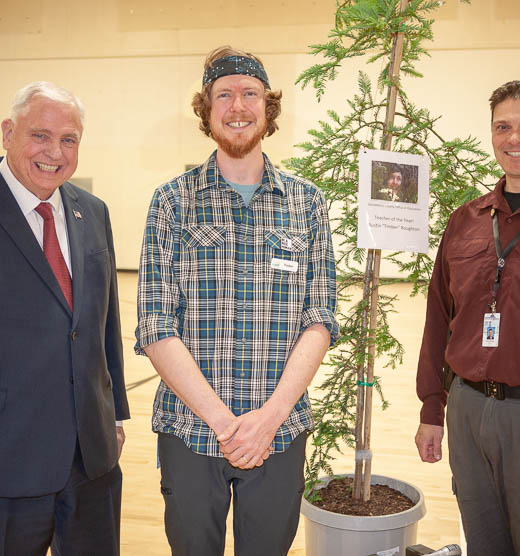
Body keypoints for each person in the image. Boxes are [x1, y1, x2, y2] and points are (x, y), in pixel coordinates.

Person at [135, 46, 338, 555]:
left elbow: (320, 318)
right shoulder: (172, 202)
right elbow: (156, 326)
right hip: (190, 431)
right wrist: (226, 425)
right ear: (205, 110)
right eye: (223, 94)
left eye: (250, 93)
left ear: (268, 109)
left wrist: (267, 420)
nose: (238, 105)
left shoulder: (307, 203)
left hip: (280, 432)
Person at [415, 79, 520, 555]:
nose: (514, 139)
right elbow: (438, 318)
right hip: (469, 411)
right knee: (482, 538)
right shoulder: (467, 220)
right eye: (503, 127)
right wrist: (431, 409)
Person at [0, 81, 129, 555]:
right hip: (10, 458)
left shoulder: (92, 212)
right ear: (7, 132)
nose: (55, 151)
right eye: (40, 135)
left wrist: (113, 413)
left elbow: (103, 323)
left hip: (90, 458)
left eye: (69, 139)